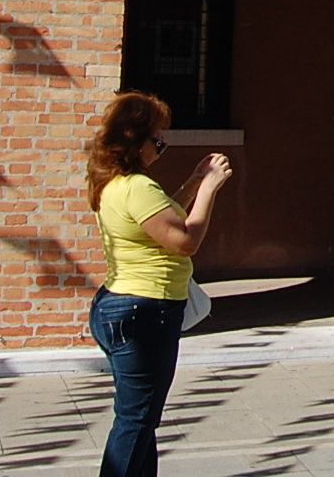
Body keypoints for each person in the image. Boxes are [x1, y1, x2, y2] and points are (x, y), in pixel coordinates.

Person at [85, 92, 232, 477]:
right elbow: (184, 241)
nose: (161, 148)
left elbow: (162, 218)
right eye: (158, 140)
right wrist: (209, 189)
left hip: (121, 305)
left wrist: (194, 180)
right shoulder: (137, 187)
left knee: (140, 416)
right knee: (136, 420)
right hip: (145, 310)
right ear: (135, 139)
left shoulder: (112, 182)